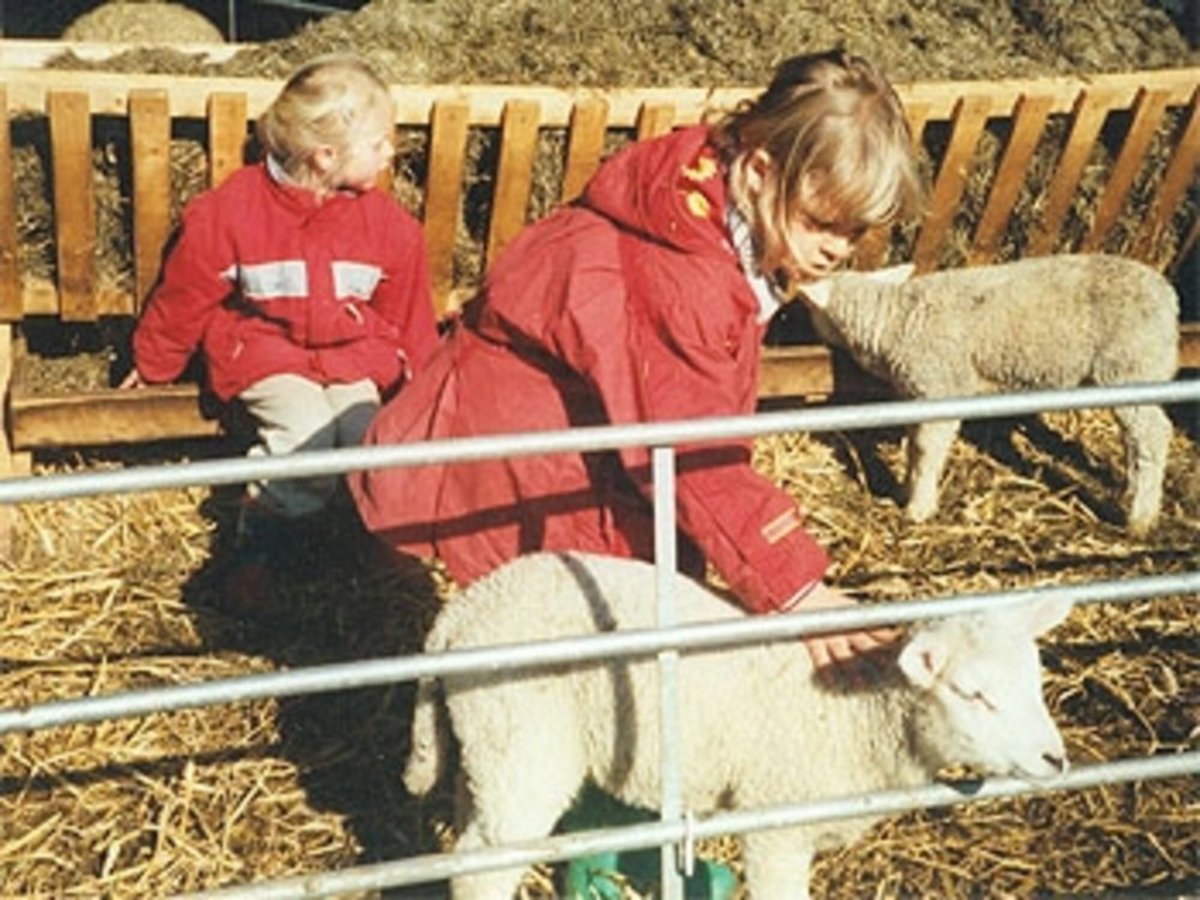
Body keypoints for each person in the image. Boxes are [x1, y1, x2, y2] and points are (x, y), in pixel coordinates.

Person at [349, 48, 923, 669]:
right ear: (760, 170)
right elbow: (689, 448)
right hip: (515, 453)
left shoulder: (696, 188)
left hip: (528, 422)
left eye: (854, 232)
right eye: (822, 223)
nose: (837, 249)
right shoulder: (682, 278)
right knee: (592, 632)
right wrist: (796, 586)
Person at [124, 53, 440, 609]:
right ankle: (259, 549)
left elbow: (408, 313)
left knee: (369, 435)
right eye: (378, 144)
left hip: (351, 358)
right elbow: (185, 296)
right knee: (303, 435)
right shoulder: (230, 214)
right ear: (325, 156)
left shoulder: (389, 228)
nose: (391, 153)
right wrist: (155, 364)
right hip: (267, 355)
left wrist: (427, 382)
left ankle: (377, 538)